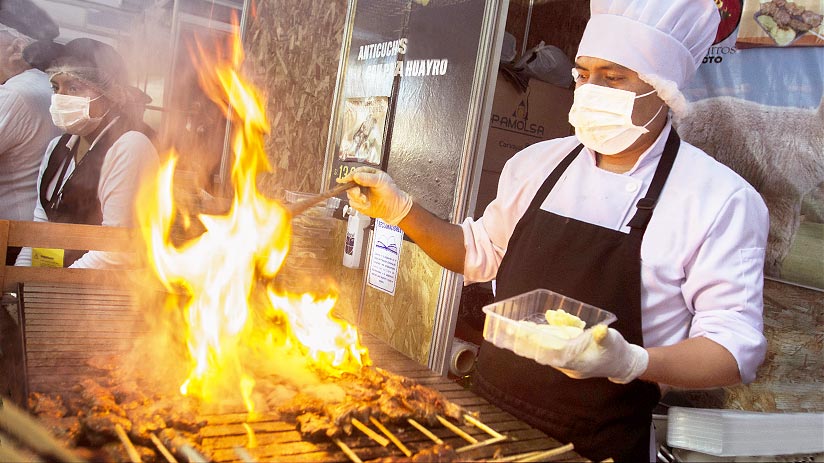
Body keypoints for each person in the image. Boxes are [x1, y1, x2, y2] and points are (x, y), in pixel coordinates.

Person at [339, 1, 769, 461]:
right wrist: (401, 210)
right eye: (584, 75)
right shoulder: (537, 163)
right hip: (489, 423)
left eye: (613, 76)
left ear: (662, 90)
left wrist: (632, 362)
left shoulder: (720, 199)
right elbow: (477, 252)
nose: (590, 90)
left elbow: (733, 349)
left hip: (597, 443)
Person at [15, 38, 159, 268]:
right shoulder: (57, 148)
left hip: (100, 295)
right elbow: (42, 226)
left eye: (74, 87)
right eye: (56, 87)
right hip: (53, 286)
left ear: (110, 94)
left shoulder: (130, 147)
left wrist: (53, 289)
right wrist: (19, 283)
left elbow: (115, 251)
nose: (61, 97)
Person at [0, 14, 61, 265]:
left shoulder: (14, 92)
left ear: (16, 49)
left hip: (10, 238)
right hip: (33, 232)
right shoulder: (47, 86)